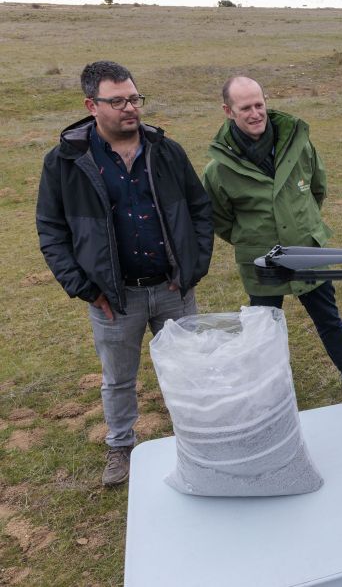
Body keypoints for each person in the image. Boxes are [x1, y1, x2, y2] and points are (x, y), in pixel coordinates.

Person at [36, 61, 214, 487]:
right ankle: (121, 445)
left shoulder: (166, 151)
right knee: (118, 379)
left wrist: (193, 267)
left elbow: (199, 209)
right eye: (117, 101)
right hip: (114, 299)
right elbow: (52, 231)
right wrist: (85, 288)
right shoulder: (65, 162)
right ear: (91, 106)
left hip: (173, 288)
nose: (130, 108)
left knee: (188, 368)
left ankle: (197, 435)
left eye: (134, 98)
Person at [202, 76, 342, 398]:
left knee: (329, 318)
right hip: (261, 261)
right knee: (264, 327)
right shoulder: (218, 170)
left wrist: (303, 225)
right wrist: (252, 239)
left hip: (306, 250)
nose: (255, 113)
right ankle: (269, 387)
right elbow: (220, 219)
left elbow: (317, 189)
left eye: (259, 104)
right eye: (245, 108)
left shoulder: (299, 145)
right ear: (228, 111)